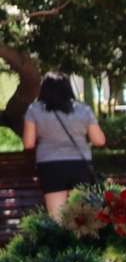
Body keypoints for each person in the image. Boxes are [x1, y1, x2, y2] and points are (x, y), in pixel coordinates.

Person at [21, 74, 106, 214]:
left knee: (57, 218)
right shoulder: (83, 109)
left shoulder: (34, 109)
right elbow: (99, 140)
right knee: (82, 218)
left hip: (50, 165)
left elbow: (28, 143)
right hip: (80, 165)